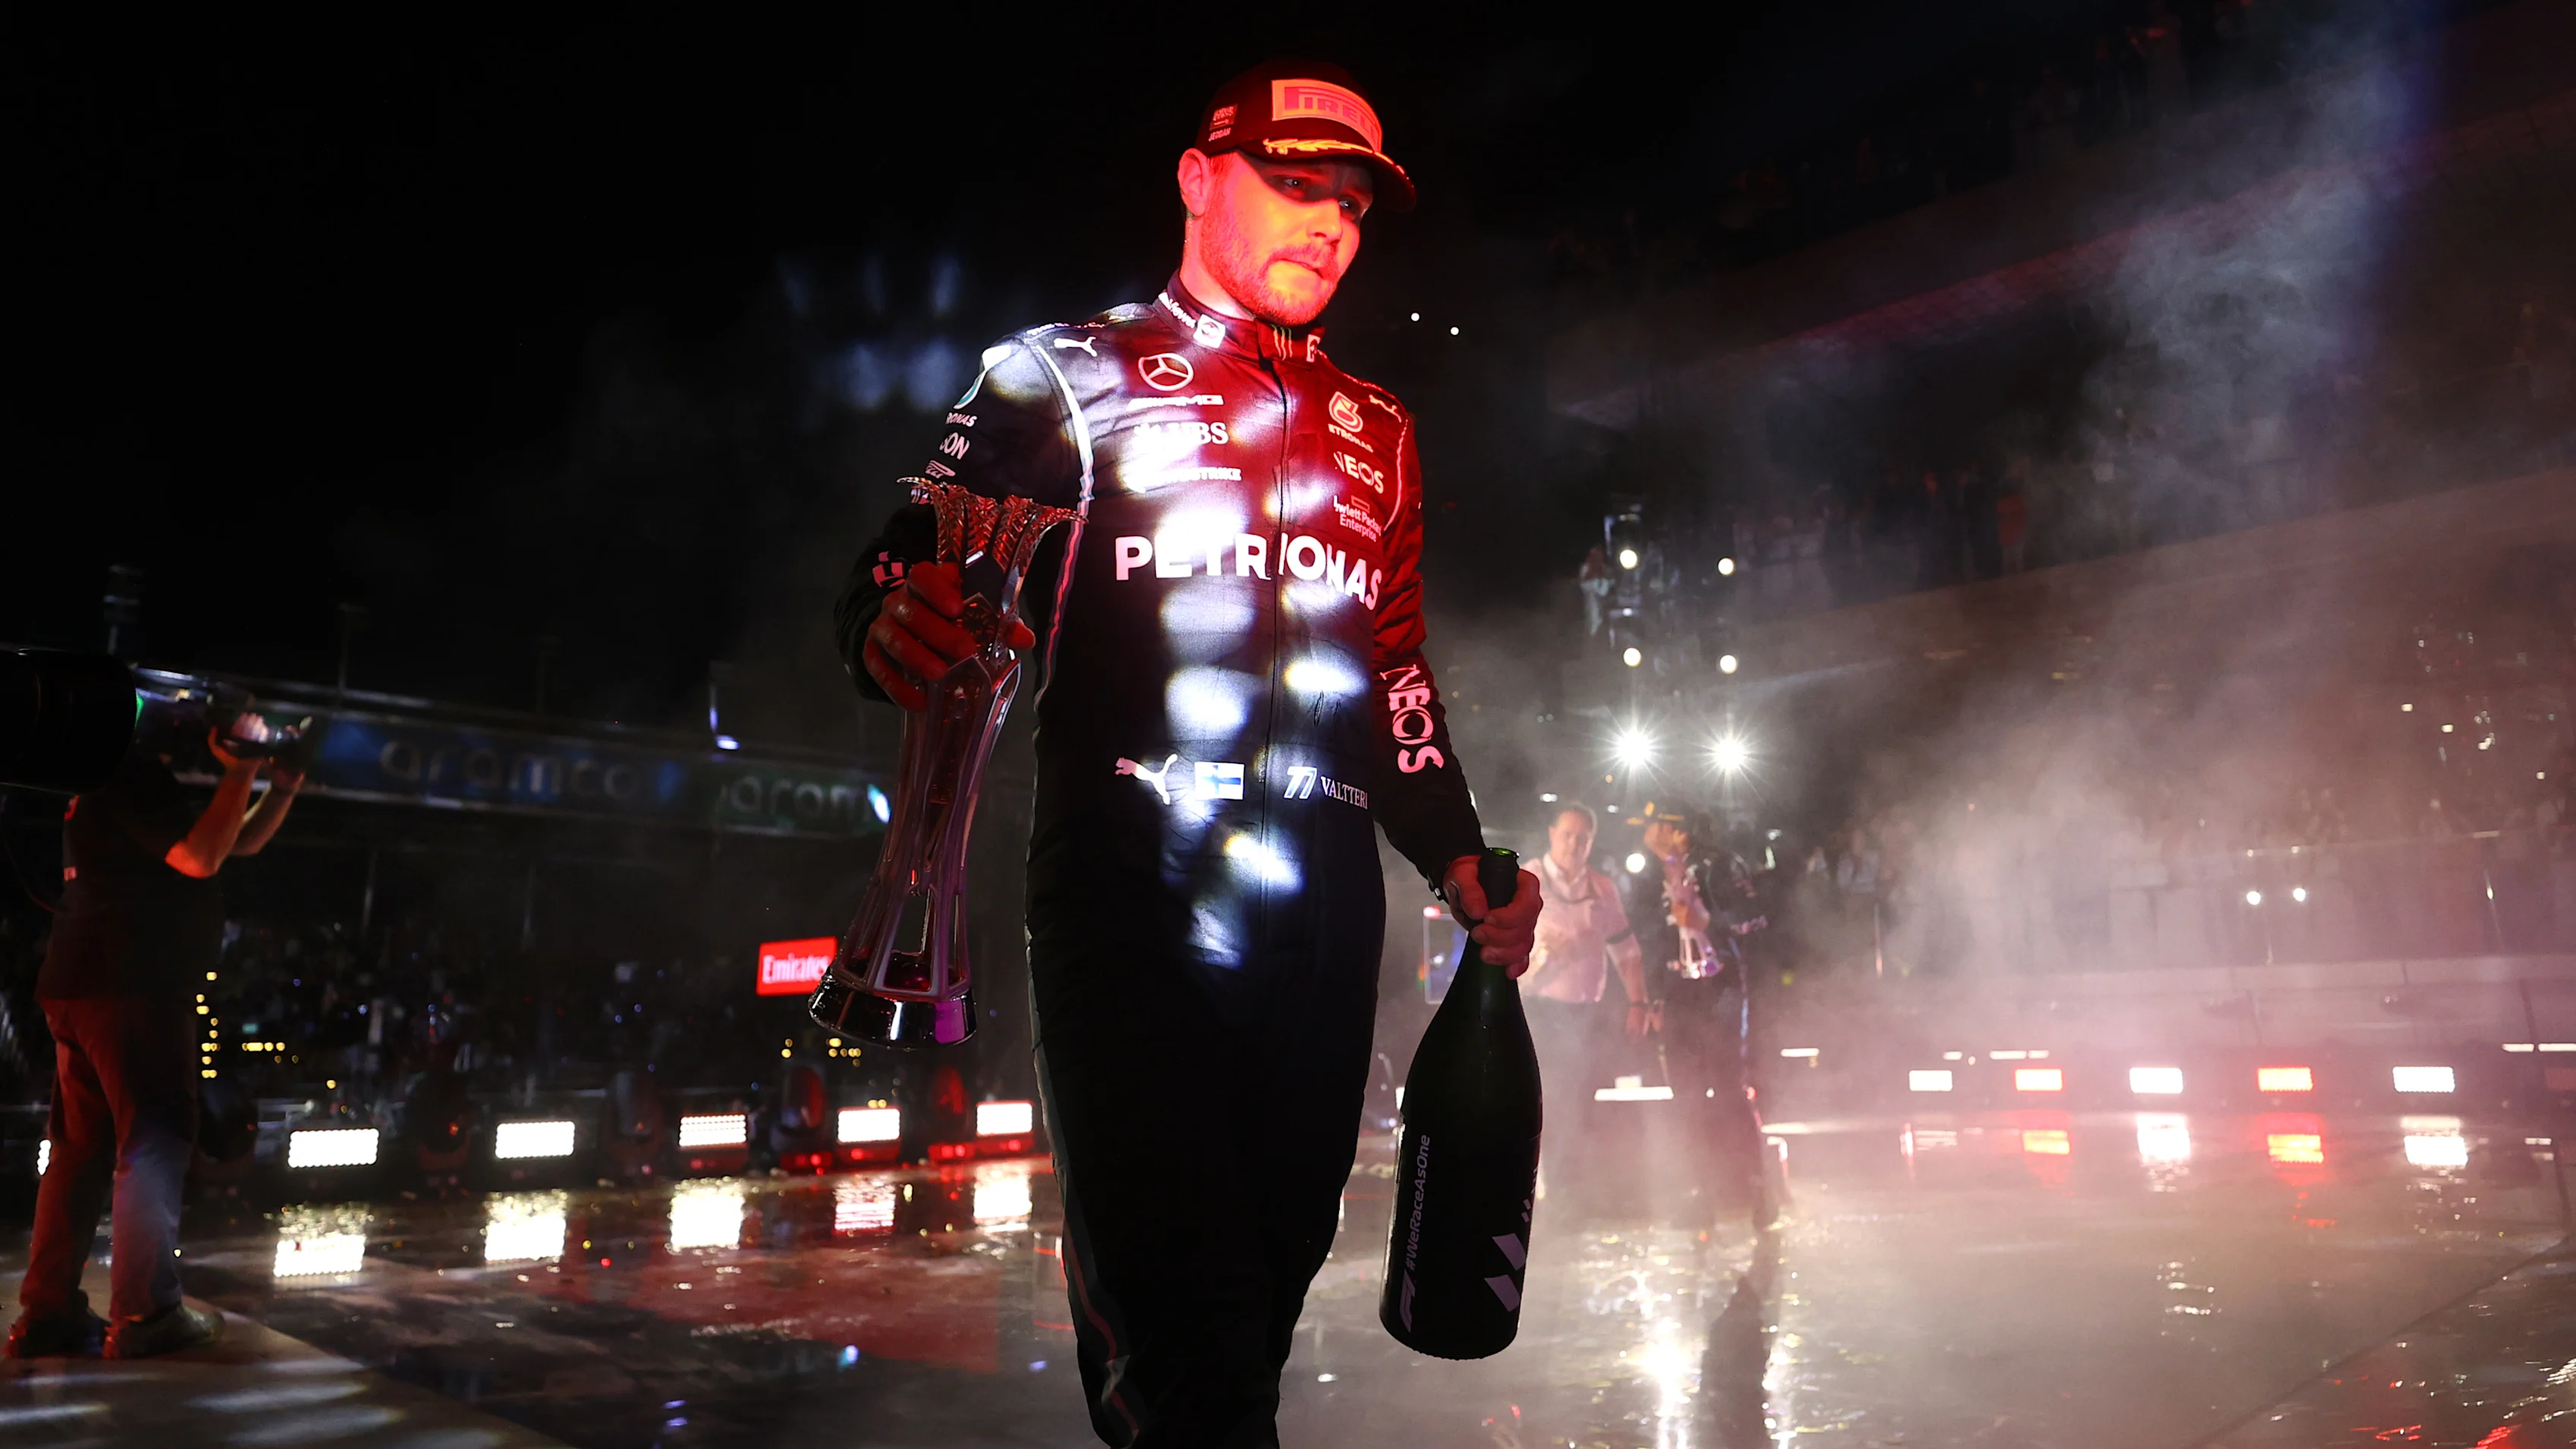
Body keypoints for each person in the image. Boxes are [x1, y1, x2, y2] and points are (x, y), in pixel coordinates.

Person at [835, 58, 1539, 1448]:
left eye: (1351, 205)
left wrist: (1456, 850)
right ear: (1199, 177)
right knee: (1187, 1346)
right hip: (1129, 894)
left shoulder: (1381, 434)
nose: (1329, 225)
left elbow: (1389, 668)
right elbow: (907, 560)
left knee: (1257, 1310)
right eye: (1295, 185)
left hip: (1329, 909)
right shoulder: (1064, 374)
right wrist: (884, 619)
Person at [8, 715, 304, 1358]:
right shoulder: (131, 774)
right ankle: (145, 1315)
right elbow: (200, 858)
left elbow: (227, 843)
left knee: (79, 1150)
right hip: (131, 987)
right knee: (154, 1140)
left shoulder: (110, 779)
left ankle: (48, 1311)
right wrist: (241, 769)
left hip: (84, 984)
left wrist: (274, 789)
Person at [1624, 803, 1769, 1226]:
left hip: (1719, 988)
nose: (1652, 834)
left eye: (1660, 826)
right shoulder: (1647, 876)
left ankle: (1755, 1188)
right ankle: (1698, 1192)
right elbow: (1644, 938)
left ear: (1679, 831)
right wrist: (1650, 997)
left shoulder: (1719, 864)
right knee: (1685, 1094)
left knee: (1727, 1087)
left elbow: (1757, 917)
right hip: (1676, 993)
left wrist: (1708, 919)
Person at [1523, 803, 1652, 1178]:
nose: (1574, 845)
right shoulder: (1528, 879)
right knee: (1544, 1102)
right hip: (1539, 1010)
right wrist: (1544, 958)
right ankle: (1537, 1191)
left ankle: (1570, 1194)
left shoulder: (1601, 888)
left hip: (1585, 1016)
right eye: (1567, 835)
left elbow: (1626, 951)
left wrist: (1639, 1002)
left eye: (1583, 839)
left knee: (1579, 1101)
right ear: (1552, 834)